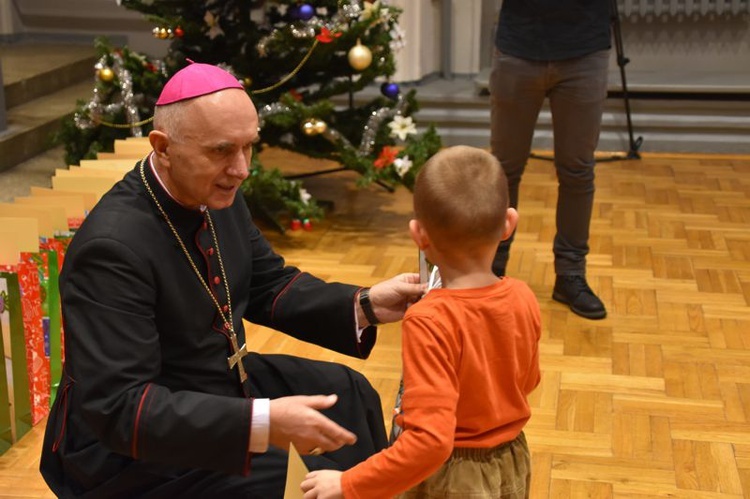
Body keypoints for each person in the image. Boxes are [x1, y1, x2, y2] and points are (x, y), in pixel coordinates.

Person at [39, 62, 425, 498]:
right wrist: (261, 423)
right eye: (222, 151)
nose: (241, 169)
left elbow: (266, 284)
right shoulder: (110, 249)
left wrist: (366, 304)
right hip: (129, 448)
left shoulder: (214, 193)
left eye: (249, 148)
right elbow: (120, 409)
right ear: (163, 147)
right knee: (293, 476)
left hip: (216, 386)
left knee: (348, 394)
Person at [301, 146, 542, 499]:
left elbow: (430, 442)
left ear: (419, 235)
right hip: (509, 459)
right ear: (509, 224)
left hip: (447, 477)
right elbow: (529, 380)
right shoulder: (523, 296)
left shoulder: (430, 319)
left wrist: (347, 483)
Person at [489, 0, 611, 320]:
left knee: (577, 170)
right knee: (503, 170)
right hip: (518, 46)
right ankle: (491, 266)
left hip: (585, 49)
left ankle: (570, 274)